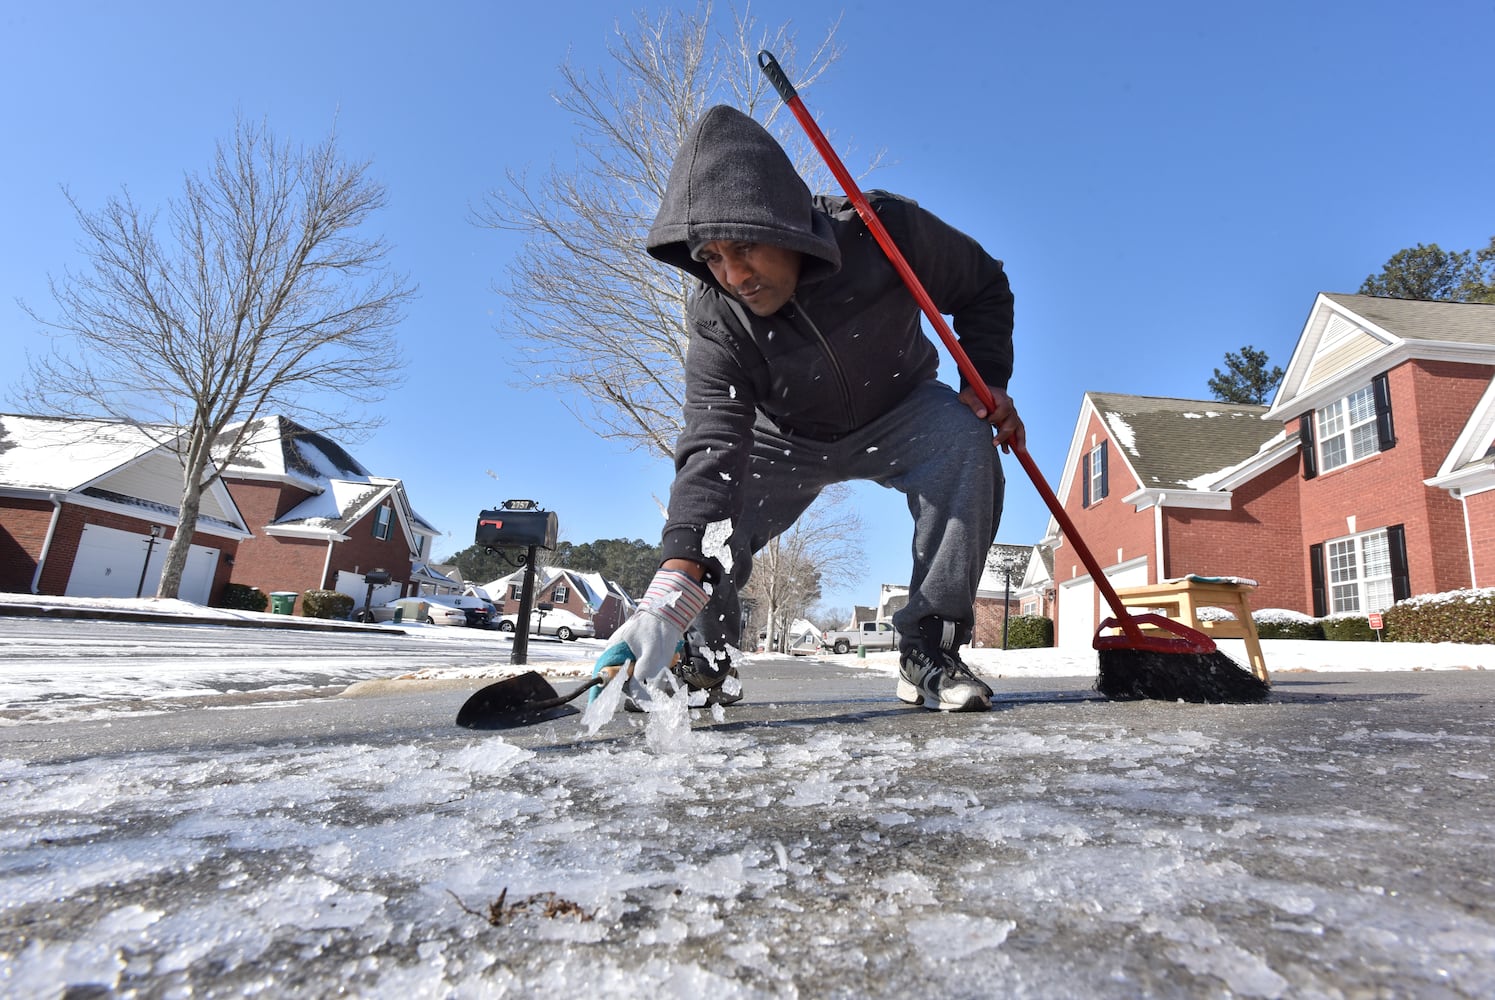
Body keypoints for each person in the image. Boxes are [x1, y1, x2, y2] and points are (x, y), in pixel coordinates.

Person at [594, 104, 1023, 714]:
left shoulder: (883, 230)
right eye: (712, 257)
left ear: (785, 223)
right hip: (784, 438)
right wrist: (669, 592)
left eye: (744, 247)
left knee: (965, 441)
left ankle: (929, 647)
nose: (733, 274)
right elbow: (711, 441)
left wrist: (987, 380)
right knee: (716, 513)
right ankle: (706, 661)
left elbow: (984, 285)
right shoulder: (716, 315)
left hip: (903, 410)